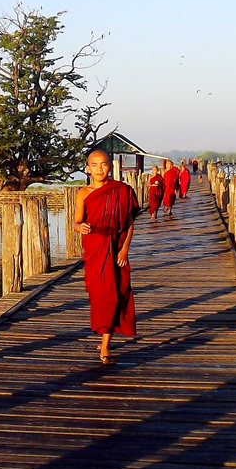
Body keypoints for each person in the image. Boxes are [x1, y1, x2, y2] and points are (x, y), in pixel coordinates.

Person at [74, 149, 137, 364]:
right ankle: (104, 336)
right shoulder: (83, 192)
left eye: (104, 164)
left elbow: (129, 223)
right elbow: (77, 221)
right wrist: (78, 227)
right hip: (95, 249)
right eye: (95, 164)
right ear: (88, 168)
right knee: (99, 294)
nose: (99, 168)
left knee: (116, 294)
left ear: (111, 166)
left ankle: (106, 345)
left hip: (116, 248)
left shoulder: (122, 191)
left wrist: (125, 249)